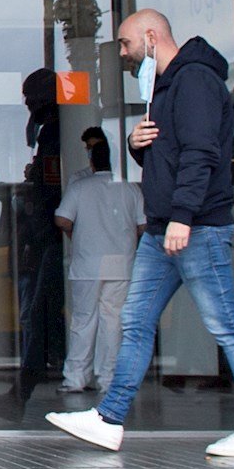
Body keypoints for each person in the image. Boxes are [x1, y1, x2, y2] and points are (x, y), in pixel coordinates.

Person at [49, 9, 234, 458]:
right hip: (162, 233)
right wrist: (139, 149)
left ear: (151, 37)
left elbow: (201, 154)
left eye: (124, 44)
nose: (121, 53)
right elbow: (170, 160)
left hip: (197, 229)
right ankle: (109, 419)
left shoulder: (194, 80)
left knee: (225, 325)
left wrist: (182, 216)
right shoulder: (164, 87)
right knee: (135, 323)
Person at [55, 129, 143, 393]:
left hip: (87, 264)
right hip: (121, 263)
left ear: (91, 162)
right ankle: (108, 379)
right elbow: (143, 226)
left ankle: (75, 378)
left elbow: (62, 219)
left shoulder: (80, 187)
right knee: (113, 321)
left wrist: (76, 236)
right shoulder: (129, 188)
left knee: (83, 320)